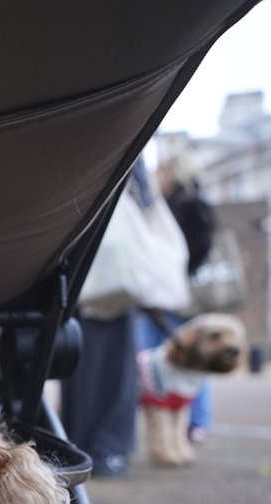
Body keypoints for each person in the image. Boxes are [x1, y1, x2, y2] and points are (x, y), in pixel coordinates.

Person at [62, 158, 189, 478]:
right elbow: (142, 192)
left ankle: (82, 442)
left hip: (76, 238)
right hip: (112, 265)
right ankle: (108, 446)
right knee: (111, 359)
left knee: (81, 354)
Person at [148, 156, 217, 442]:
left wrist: (181, 272)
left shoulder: (187, 203)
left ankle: (196, 420)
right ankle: (183, 421)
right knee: (171, 361)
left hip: (177, 294)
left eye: (162, 171)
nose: (158, 177)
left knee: (192, 358)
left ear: (172, 173)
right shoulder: (180, 201)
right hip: (168, 293)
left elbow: (202, 243)